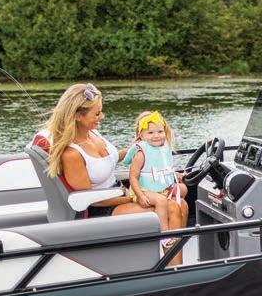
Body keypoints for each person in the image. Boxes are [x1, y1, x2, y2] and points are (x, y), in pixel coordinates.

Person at [44, 83, 152, 218]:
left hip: (120, 193)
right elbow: (90, 200)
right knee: (162, 208)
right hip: (102, 209)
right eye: (97, 113)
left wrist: (136, 147)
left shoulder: (92, 133)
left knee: (173, 202)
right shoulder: (72, 154)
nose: (102, 116)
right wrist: (132, 198)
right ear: (78, 116)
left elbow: (108, 160)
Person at [124, 111, 189, 252]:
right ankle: (164, 235)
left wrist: (176, 175)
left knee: (183, 189)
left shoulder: (161, 150)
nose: (156, 136)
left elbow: (160, 170)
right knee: (161, 201)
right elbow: (133, 177)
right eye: (151, 133)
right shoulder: (141, 153)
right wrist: (140, 195)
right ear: (141, 136)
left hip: (159, 188)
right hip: (143, 189)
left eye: (160, 131)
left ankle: (180, 236)